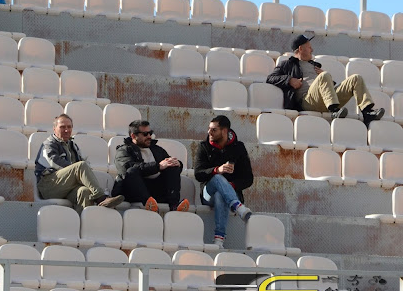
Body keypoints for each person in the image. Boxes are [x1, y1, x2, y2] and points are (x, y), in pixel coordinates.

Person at [267, 34, 385, 125]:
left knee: (356, 78)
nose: (312, 50)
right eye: (309, 47)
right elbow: (270, 78)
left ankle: (367, 112)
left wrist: (327, 78)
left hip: (325, 99)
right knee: (325, 75)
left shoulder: (315, 66)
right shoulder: (287, 64)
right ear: (301, 49)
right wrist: (290, 80)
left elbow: (327, 84)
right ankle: (334, 111)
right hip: (308, 101)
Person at [34, 114, 124, 212]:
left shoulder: (73, 146)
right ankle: (101, 198)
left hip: (66, 186)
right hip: (49, 186)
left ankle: (85, 220)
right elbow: (54, 162)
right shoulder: (48, 144)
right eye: (62, 127)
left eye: (69, 127)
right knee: (81, 166)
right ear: (54, 129)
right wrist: (77, 171)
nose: (66, 130)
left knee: (85, 192)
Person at [194, 115, 253, 249]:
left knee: (221, 194)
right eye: (209, 129)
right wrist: (216, 170)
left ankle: (219, 239)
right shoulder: (204, 147)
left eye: (214, 130)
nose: (209, 132)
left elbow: (248, 178)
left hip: (229, 193)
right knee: (218, 178)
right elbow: (198, 174)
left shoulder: (238, 148)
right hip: (208, 193)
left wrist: (230, 186)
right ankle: (239, 207)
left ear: (224, 131)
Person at [113, 120, 190, 212]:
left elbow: (167, 163)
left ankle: (174, 205)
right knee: (131, 171)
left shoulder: (157, 150)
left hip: (155, 190)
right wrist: (157, 166)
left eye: (150, 133)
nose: (149, 136)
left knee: (172, 167)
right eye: (145, 134)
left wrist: (177, 163)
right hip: (134, 192)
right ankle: (148, 202)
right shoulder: (123, 151)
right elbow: (127, 169)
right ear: (133, 136)